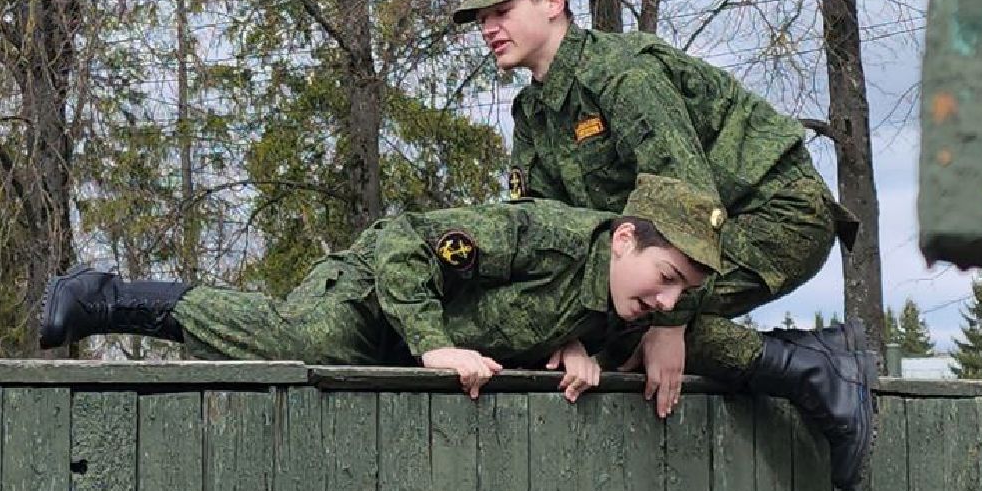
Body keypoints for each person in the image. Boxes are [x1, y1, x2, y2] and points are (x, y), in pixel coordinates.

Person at [451, 0, 873, 490]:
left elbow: (692, 202)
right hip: (680, 243)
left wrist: (671, 326)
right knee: (607, 338)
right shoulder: (534, 116)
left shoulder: (623, 77)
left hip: (775, 215)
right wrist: (568, 336)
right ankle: (816, 361)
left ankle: (820, 373)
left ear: (553, 2)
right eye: (482, 18)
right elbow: (544, 237)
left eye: (501, 11)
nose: (488, 28)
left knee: (636, 327)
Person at [44, 177, 861, 423]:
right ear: (623, 239)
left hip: (425, 345)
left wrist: (572, 352)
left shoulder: (619, 305)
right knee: (312, 343)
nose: (667, 298)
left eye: (683, 288)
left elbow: (560, 329)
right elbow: (404, 240)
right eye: (665, 276)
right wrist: (432, 344)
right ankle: (106, 296)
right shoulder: (542, 235)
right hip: (371, 298)